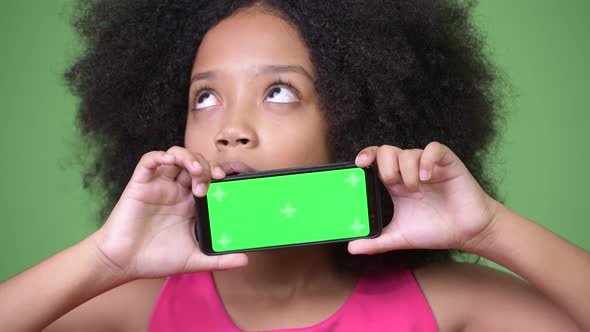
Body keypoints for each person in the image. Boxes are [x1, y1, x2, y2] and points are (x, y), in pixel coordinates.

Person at [1, 1, 589, 331]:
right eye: (204, 97)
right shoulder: (130, 306)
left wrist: (490, 230)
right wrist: (103, 259)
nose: (229, 127)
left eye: (279, 91)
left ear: (358, 114)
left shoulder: (449, 304)